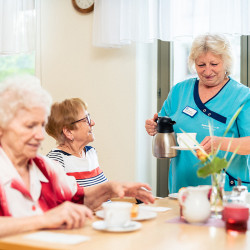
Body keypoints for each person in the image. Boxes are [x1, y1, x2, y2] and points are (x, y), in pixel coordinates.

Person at [0, 75, 154, 237]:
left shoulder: (46, 168)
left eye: (41, 126)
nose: (40, 135)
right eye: (30, 126)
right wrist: (44, 219)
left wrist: (110, 189)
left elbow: (79, 198)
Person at [145, 33, 250, 193]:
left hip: (226, 190)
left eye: (214, 64)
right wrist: (154, 127)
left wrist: (219, 143)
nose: (208, 71)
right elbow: (164, 123)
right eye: (201, 65)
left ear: (226, 63)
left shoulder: (242, 96)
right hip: (183, 187)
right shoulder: (179, 91)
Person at [45, 98, 108, 187]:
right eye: (86, 119)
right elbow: (57, 199)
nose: (93, 123)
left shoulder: (91, 153)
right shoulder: (55, 160)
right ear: (68, 132)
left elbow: (104, 192)